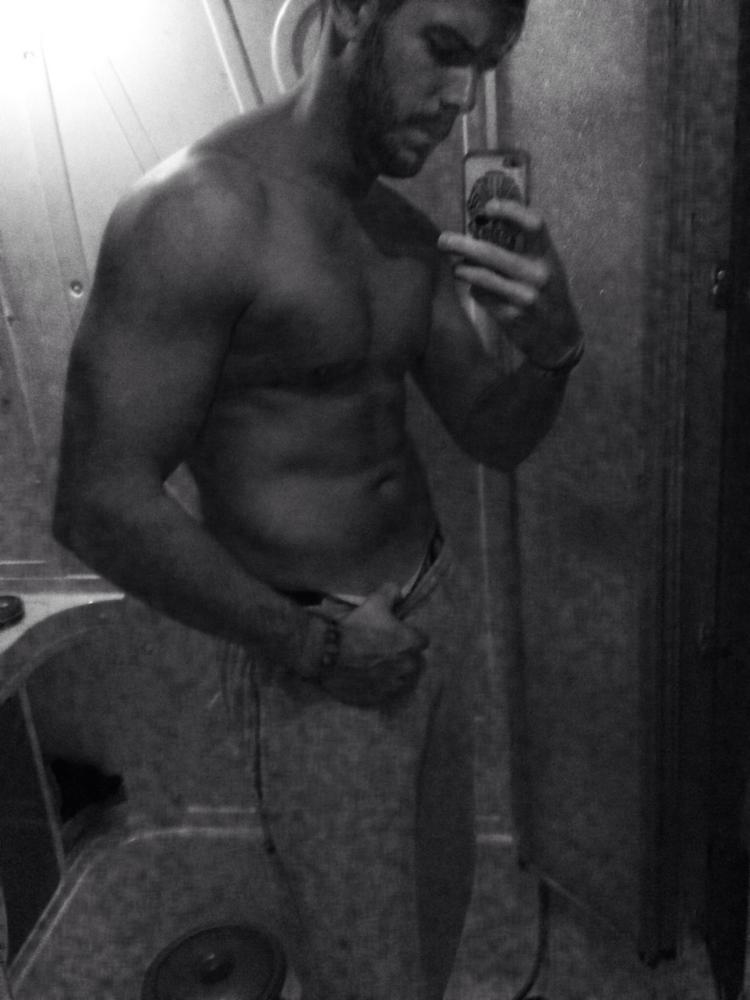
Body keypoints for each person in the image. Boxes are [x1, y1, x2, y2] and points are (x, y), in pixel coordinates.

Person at [53, 0, 584, 996]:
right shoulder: (199, 213)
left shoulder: (402, 235)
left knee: (434, 923)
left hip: (429, 616)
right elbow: (98, 502)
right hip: (319, 655)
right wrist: (319, 647)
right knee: (362, 969)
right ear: (350, 12)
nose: (463, 96)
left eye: (485, 63)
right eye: (444, 48)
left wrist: (555, 351)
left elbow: (494, 433)